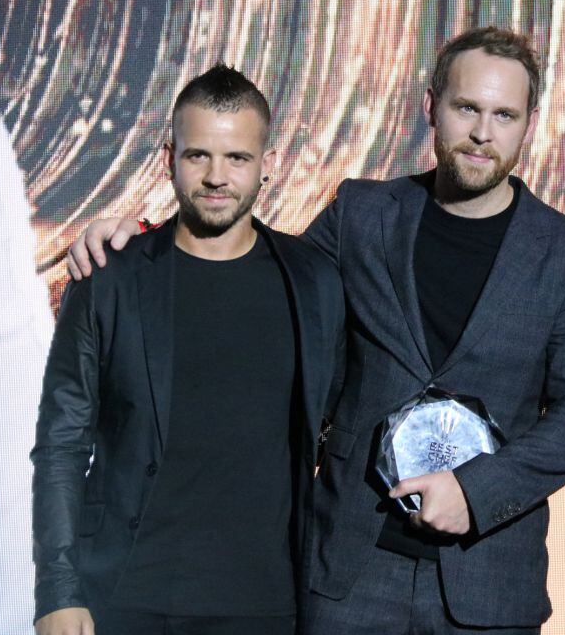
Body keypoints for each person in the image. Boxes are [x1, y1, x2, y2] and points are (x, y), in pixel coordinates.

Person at [64, 27, 565, 635]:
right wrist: (144, 238)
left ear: (529, 123)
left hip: (486, 583)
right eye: (467, 108)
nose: (484, 133)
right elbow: (260, 287)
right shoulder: (362, 213)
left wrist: (478, 492)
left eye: (504, 114)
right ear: (431, 106)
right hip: (349, 574)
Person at [32, 65, 344, 635]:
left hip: (268, 606)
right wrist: (57, 590)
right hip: (125, 599)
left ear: (267, 165)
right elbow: (60, 444)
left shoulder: (315, 281)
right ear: (168, 157)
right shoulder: (110, 276)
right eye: (198, 155)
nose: (217, 177)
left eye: (238, 158)